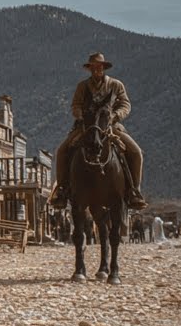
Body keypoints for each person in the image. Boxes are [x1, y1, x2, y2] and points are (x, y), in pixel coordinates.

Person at [49, 53, 146, 210]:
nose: (96, 70)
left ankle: (134, 190)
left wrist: (115, 115)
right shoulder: (82, 86)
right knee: (61, 151)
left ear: (104, 68)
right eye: (93, 68)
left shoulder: (116, 85)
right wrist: (83, 117)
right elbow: (75, 106)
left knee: (136, 152)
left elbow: (125, 104)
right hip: (85, 127)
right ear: (90, 69)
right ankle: (61, 190)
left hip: (110, 126)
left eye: (99, 67)